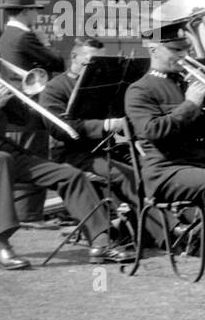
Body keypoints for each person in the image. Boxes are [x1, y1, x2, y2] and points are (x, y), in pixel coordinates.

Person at [0, 29, 129, 270]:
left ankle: (101, 241)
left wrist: (24, 97)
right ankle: (2, 246)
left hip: (2, 155)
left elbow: (26, 121)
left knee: (70, 175)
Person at [124, 19, 205, 289]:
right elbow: (154, 131)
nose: (184, 57)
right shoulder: (139, 90)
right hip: (166, 171)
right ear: (154, 49)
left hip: (200, 163)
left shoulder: (187, 82)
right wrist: (191, 103)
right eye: (176, 51)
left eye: (185, 50)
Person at [39, 38, 140, 215]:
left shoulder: (103, 83)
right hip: (72, 153)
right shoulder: (54, 88)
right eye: (92, 62)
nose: (97, 67)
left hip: (104, 147)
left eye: (101, 62)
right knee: (124, 175)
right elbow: (60, 128)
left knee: (146, 166)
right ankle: (162, 229)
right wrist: (105, 125)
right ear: (74, 57)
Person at [0, 0, 66, 224]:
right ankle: (30, 215)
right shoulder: (26, 36)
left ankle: (25, 213)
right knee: (36, 156)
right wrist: (45, 44)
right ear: (26, 11)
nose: (37, 14)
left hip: (16, 105)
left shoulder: (6, 34)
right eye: (34, 10)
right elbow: (58, 62)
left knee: (25, 155)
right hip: (31, 103)